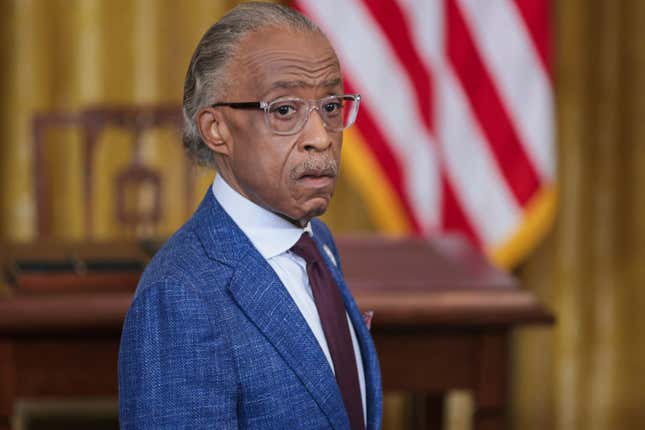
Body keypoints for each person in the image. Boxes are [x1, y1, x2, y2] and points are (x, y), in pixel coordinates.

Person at [118, 3, 382, 429]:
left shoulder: (318, 243)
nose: (320, 138)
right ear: (216, 129)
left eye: (331, 107)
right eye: (284, 110)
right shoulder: (179, 298)